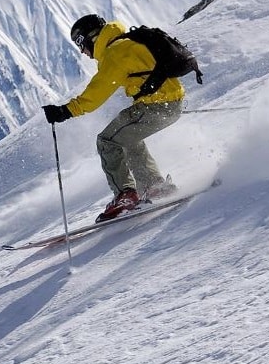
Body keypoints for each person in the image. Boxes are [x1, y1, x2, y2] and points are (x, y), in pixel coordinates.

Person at [42, 14, 184, 222]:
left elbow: (95, 94)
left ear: (91, 37)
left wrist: (65, 111)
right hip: (170, 103)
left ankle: (125, 196)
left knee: (107, 141)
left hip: (155, 106)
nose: (82, 51)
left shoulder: (115, 53)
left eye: (80, 43)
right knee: (127, 138)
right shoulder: (127, 42)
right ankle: (154, 186)